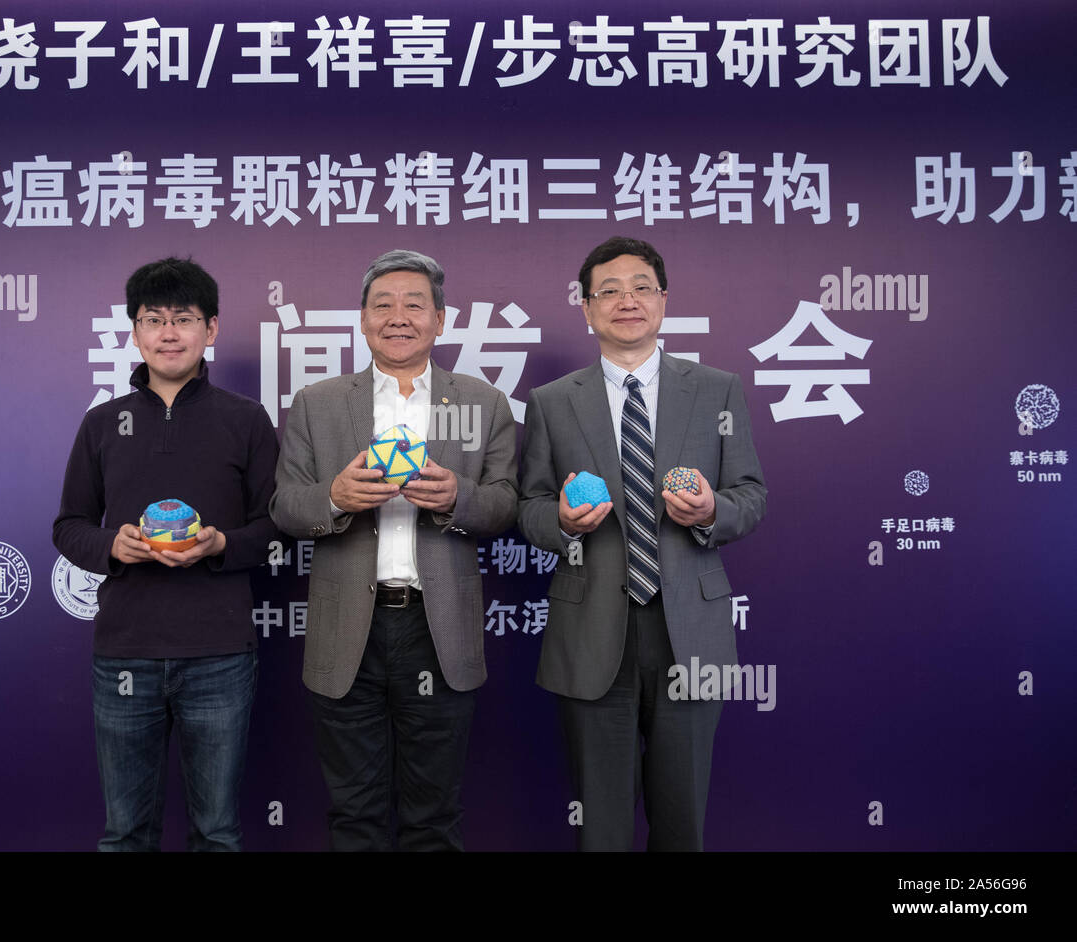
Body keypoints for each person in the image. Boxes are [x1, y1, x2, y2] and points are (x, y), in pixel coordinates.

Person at [518, 236, 767, 851]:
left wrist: (712, 510)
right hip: (593, 628)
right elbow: (528, 507)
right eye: (609, 290)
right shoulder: (552, 402)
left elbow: (751, 494)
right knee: (600, 825)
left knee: (682, 820)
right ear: (585, 307)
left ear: (663, 300)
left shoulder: (717, 390)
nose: (625, 301)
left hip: (691, 627)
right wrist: (565, 524)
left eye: (640, 288)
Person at [270, 249, 517, 851]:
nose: (398, 317)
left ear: (441, 319)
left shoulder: (482, 403)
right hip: (347, 627)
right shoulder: (317, 403)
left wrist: (458, 496)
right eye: (382, 304)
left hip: (439, 627)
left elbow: (509, 504)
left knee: (433, 815)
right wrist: (334, 496)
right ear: (362, 319)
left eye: (415, 304)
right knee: (354, 813)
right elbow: (283, 507)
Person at [52, 257, 280, 851]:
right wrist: (115, 545)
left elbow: (275, 526)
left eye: (185, 318)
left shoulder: (246, 420)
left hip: (219, 654)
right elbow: (69, 526)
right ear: (135, 330)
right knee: (126, 833)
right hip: (126, 651)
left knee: (218, 833)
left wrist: (221, 543)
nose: (169, 332)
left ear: (212, 329)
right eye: (154, 319)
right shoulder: (102, 423)